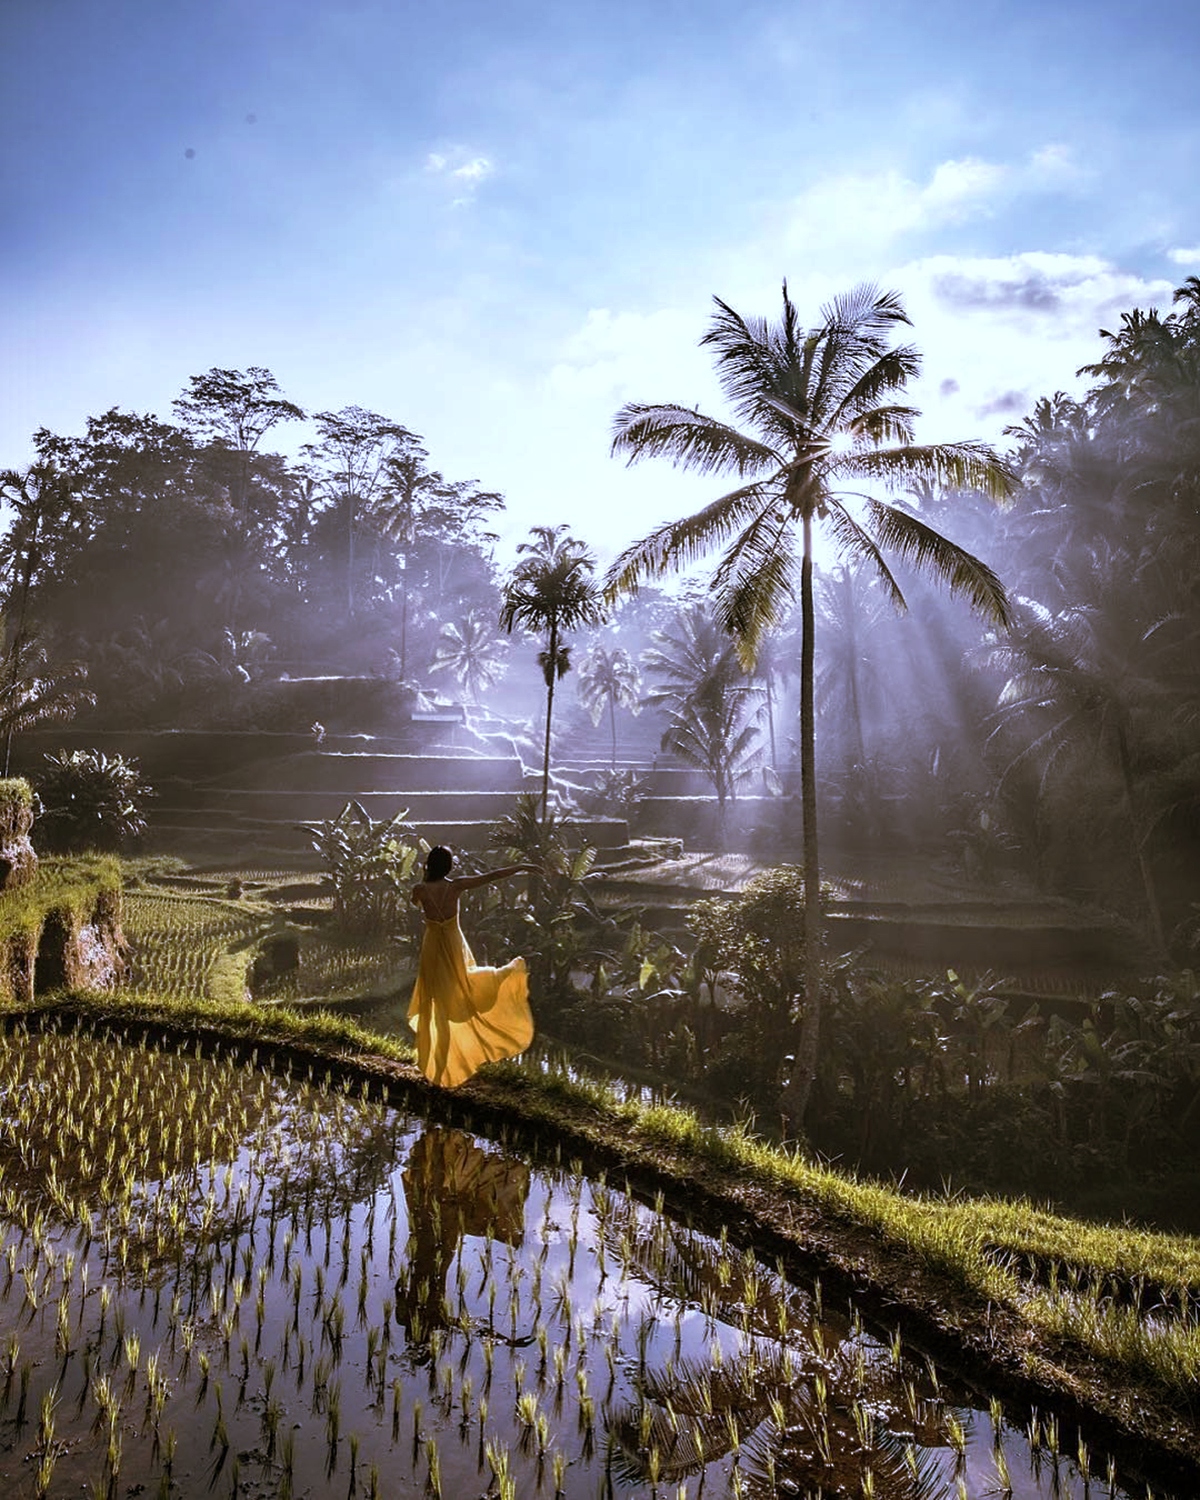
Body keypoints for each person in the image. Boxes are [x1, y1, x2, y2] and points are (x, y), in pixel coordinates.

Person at [408, 846, 541, 1088]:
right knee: (463, 984)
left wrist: (425, 877)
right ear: (448, 866)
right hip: (452, 943)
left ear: (429, 864)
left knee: (435, 1000)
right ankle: (501, 976)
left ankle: (438, 1068)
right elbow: (492, 876)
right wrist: (522, 867)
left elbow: (415, 902)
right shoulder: (455, 885)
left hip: (432, 948)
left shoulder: (420, 889)